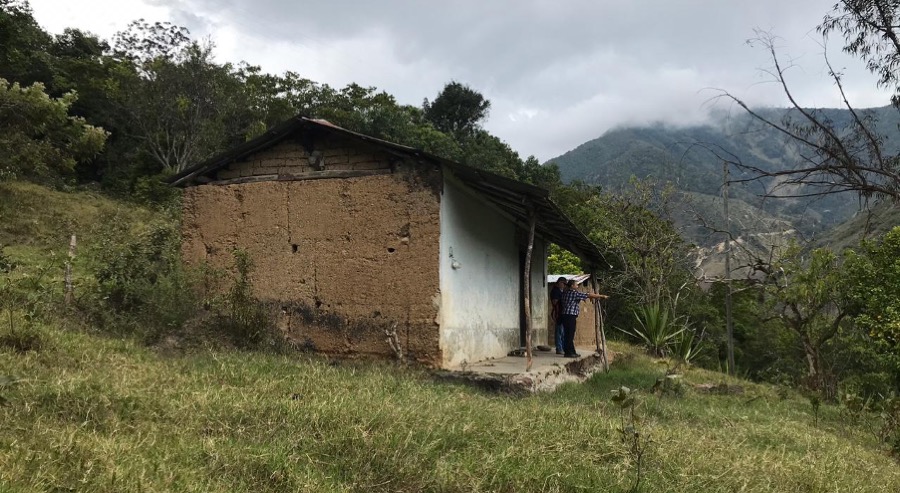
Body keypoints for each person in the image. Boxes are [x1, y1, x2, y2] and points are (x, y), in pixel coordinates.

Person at [559, 279, 608, 358]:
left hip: (564, 315)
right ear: (572, 286)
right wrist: (602, 296)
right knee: (570, 335)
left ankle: (570, 351)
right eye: (576, 284)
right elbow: (588, 295)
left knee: (567, 334)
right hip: (571, 315)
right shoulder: (574, 293)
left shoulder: (565, 293)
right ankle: (569, 352)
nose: (577, 286)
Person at [550, 277, 567, 355]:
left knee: (563, 332)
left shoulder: (561, 291)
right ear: (560, 283)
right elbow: (555, 301)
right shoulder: (555, 291)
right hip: (558, 313)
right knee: (559, 331)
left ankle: (563, 348)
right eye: (563, 284)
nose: (564, 285)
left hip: (562, 313)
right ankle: (559, 348)